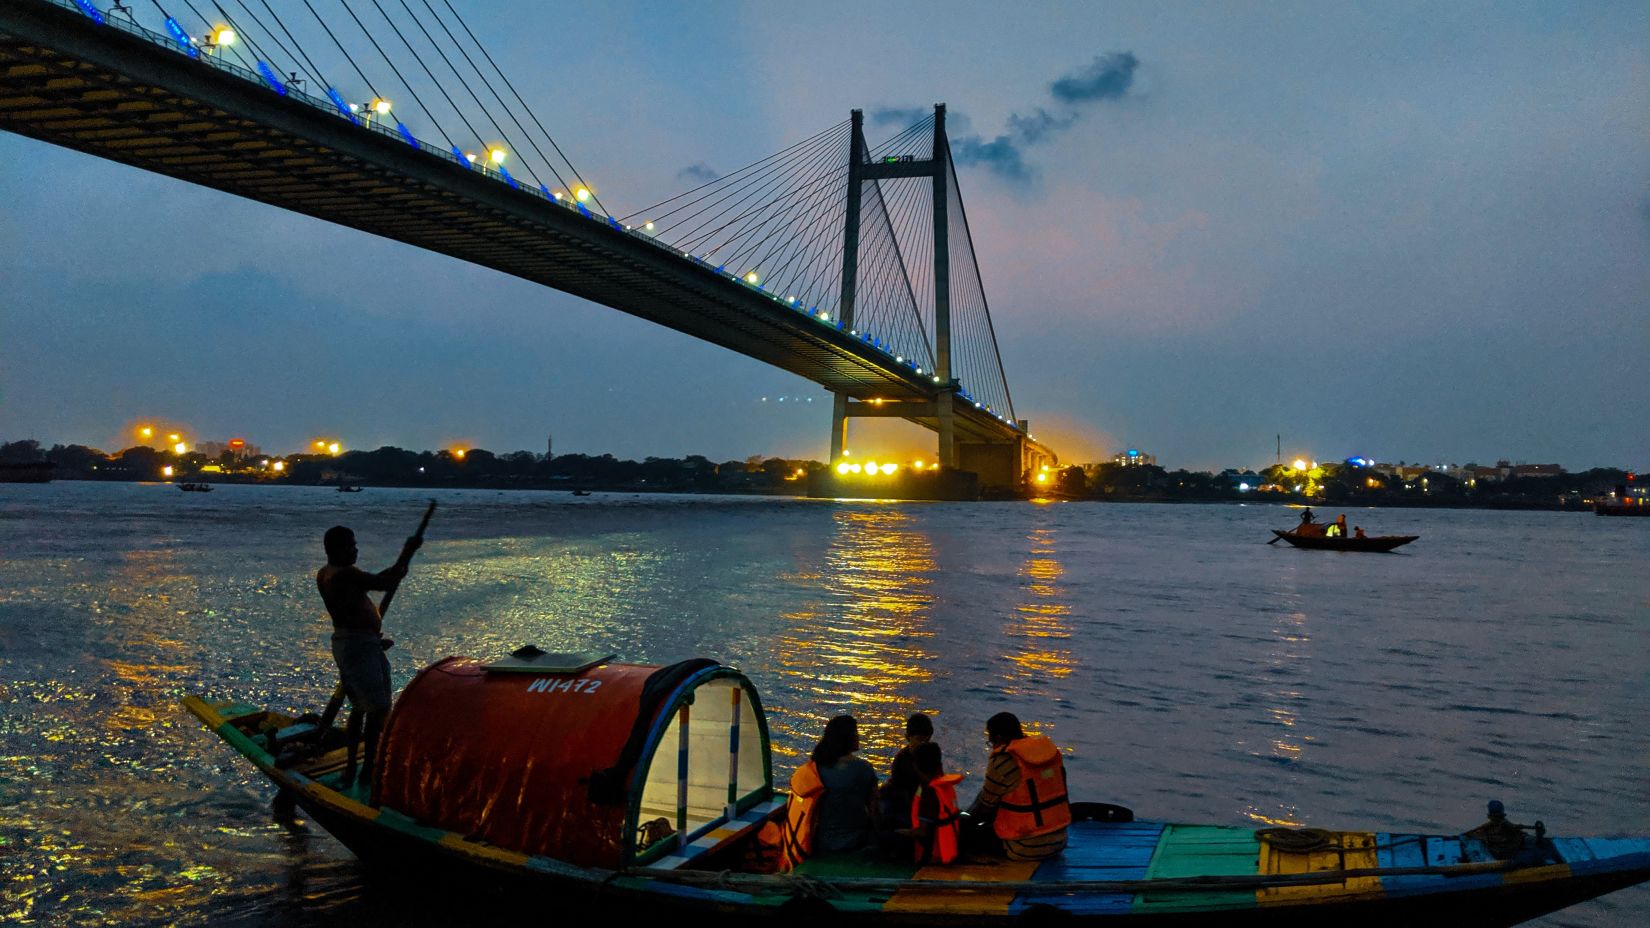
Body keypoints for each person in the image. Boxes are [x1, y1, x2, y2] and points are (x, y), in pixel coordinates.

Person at [317, 525, 419, 789]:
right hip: (357, 646)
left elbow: (378, 581)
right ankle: (364, 770)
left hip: (363, 644)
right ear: (336, 549)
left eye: (355, 544)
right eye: (350, 545)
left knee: (364, 707)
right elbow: (384, 583)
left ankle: (358, 769)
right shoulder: (341, 575)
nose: (355, 549)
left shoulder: (331, 574)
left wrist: (399, 568)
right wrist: (406, 553)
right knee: (376, 709)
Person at [965, 712, 1070, 861]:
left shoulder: (1003, 762)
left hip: (1023, 847)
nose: (992, 747)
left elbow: (985, 809)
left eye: (991, 742)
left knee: (965, 836)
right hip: (1060, 841)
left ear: (999, 738)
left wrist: (961, 824)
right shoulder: (1052, 753)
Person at [806, 715, 880, 857]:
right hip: (855, 843)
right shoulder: (864, 769)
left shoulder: (816, 767)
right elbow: (875, 812)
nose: (858, 737)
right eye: (856, 733)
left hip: (822, 844)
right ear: (849, 738)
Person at [901, 741, 963, 865]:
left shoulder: (929, 792)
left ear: (916, 766)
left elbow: (922, 832)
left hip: (932, 856)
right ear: (939, 764)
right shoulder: (945, 787)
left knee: (887, 837)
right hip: (948, 851)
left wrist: (901, 833)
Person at [879, 713, 934, 829]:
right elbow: (899, 789)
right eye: (919, 739)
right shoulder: (901, 759)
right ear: (907, 737)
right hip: (905, 805)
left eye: (927, 739)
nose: (923, 743)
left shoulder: (931, 757)